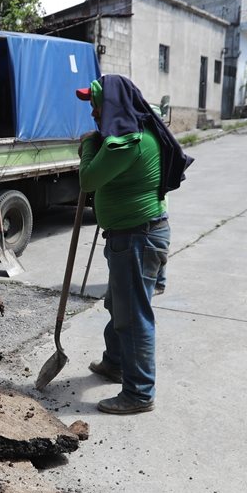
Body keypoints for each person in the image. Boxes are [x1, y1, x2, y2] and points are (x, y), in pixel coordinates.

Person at [77, 74, 179, 415]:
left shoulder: (127, 141)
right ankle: (116, 362)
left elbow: (88, 179)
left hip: (137, 238)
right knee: (117, 305)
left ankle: (138, 392)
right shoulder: (136, 129)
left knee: (133, 317)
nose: (93, 113)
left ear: (112, 105)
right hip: (134, 235)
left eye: (96, 105)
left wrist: (89, 146)